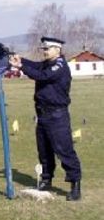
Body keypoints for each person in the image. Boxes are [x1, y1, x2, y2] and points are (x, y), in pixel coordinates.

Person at [9, 36, 82, 201]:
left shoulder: (59, 66)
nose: (45, 51)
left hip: (57, 115)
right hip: (42, 115)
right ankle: (46, 179)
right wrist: (22, 60)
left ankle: (75, 184)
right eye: (44, 49)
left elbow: (42, 76)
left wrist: (21, 66)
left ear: (57, 49)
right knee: (44, 151)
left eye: (47, 49)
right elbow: (35, 66)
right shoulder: (47, 63)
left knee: (64, 151)